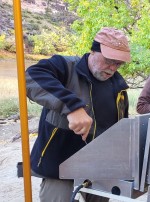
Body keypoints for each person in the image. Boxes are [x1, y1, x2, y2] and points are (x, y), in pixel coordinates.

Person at [26, 27, 131, 201]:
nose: (112, 68)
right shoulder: (65, 67)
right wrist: (72, 106)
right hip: (59, 163)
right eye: (108, 60)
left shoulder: (119, 86)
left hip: (99, 166)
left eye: (118, 64)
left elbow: (120, 129)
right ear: (93, 50)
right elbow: (31, 77)